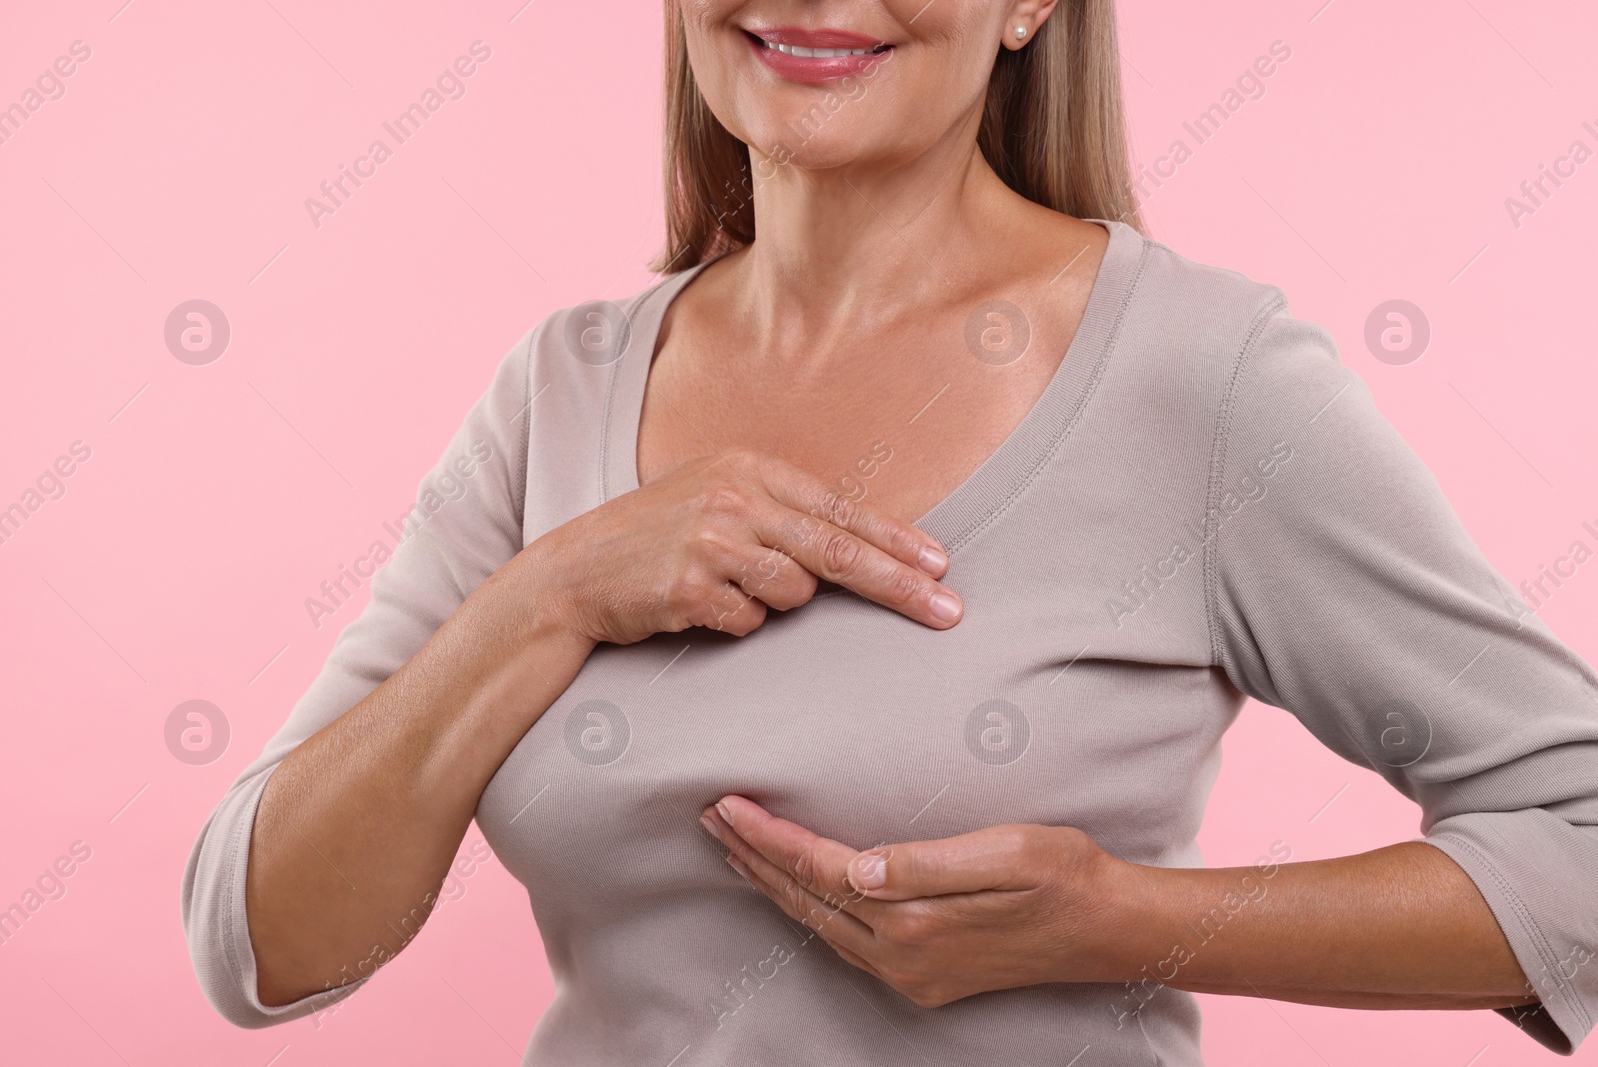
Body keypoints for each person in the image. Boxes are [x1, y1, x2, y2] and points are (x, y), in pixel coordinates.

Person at [183, 1, 1598, 1062]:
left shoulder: (1202, 374)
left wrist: (1124, 923)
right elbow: (262, 941)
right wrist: (550, 594)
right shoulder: (562, 386)